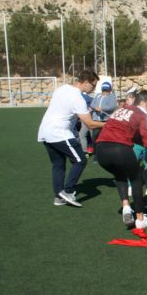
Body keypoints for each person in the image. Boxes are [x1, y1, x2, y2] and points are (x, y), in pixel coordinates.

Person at [95, 90, 147, 229]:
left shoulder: (121, 109)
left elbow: (134, 136)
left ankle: (126, 207)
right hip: (120, 149)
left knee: (120, 175)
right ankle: (140, 219)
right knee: (136, 179)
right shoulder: (143, 113)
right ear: (143, 103)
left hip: (100, 150)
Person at [37, 70, 105, 207]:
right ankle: (68, 191)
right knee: (80, 160)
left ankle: (58, 197)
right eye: (93, 85)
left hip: (45, 132)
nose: (94, 89)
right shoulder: (77, 98)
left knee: (58, 165)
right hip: (59, 133)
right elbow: (90, 124)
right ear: (86, 82)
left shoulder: (62, 88)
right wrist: (110, 124)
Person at [86, 81, 117, 163]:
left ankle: (107, 154)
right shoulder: (97, 95)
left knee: (106, 138)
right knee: (95, 138)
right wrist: (96, 108)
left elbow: (112, 106)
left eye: (106, 90)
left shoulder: (112, 96)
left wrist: (102, 108)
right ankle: (95, 155)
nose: (105, 92)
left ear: (110, 90)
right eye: (104, 90)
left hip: (106, 120)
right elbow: (92, 104)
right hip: (96, 120)